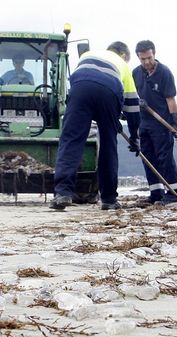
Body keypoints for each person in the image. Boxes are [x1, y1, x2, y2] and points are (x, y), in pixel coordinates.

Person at [50, 41, 140, 211]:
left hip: (80, 88)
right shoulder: (123, 66)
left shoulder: (87, 55)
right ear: (123, 55)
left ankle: (63, 193)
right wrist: (135, 136)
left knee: (71, 140)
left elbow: (84, 85)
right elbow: (133, 107)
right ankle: (109, 199)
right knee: (108, 145)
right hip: (109, 91)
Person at [132, 40, 177, 203]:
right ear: (138, 58)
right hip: (144, 123)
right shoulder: (136, 73)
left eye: (149, 58)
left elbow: (170, 99)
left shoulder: (164, 72)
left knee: (164, 157)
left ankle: (173, 192)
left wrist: (176, 124)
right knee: (147, 158)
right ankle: (156, 193)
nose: (147, 62)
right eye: (142, 59)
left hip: (162, 123)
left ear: (154, 54)